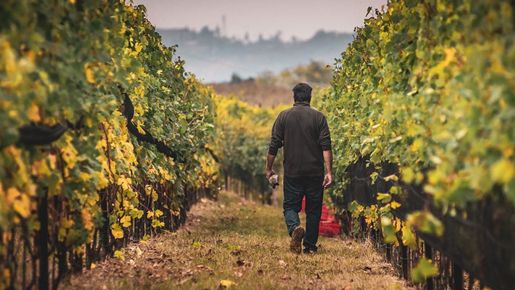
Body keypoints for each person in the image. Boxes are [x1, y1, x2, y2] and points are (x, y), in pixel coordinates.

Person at [265, 82, 333, 254]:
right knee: (313, 210)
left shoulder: (283, 117)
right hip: (314, 172)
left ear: (294, 97)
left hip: (293, 172)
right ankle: (309, 246)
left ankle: (295, 228)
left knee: (290, 207)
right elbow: (326, 147)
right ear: (310, 97)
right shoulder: (319, 118)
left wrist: (269, 169)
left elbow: (274, 146)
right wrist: (329, 172)